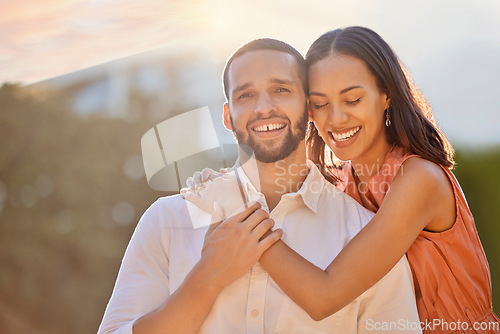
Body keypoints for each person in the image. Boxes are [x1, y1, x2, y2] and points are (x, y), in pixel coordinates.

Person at [186, 27, 500, 333]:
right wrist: (228, 181)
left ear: (386, 93)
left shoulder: (418, 179)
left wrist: (236, 210)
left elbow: (325, 296)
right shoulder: (342, 182)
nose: (335, 119)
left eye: (352, 100)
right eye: (320, 104)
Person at [98, 38, 421, 334]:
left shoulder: (363, 236)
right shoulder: (168, 220)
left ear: (309, 107)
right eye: (246, 95)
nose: (263, 107)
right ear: (228, 116)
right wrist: (208, 276)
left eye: (281, 90)